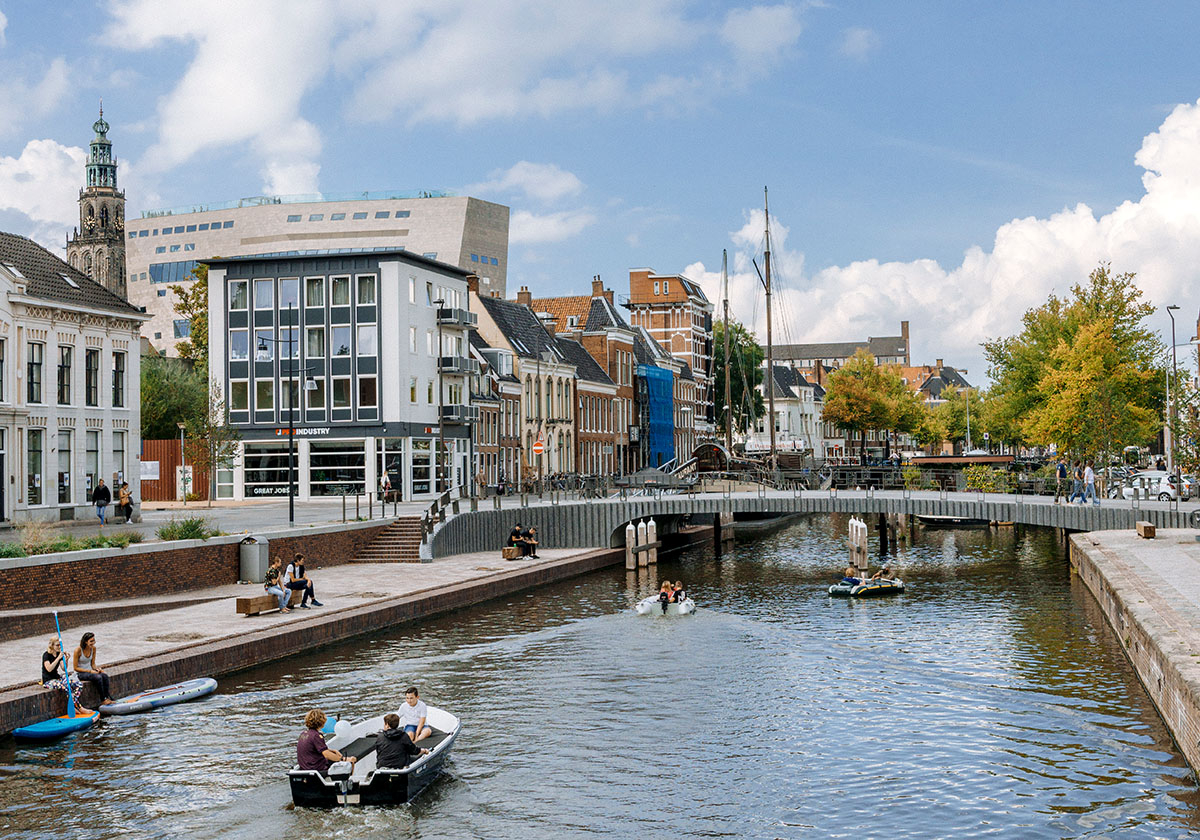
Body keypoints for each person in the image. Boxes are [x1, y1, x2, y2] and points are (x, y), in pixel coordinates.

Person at [42, 637, 92, 715]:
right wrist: (58, 658)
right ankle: (80, 707)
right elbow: (49, 669)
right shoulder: (46, 655)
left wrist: (66, 660)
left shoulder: (59, 654)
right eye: (57, 645)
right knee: (66, 687)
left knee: (78, 684)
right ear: (52, 646)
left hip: (57, 678)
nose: (59, 647)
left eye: (60, 645)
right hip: (48, 681)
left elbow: (63, 668)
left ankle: (73, 705)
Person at [297, 709, 356, 774]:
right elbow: (327, 755)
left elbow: (314, 749)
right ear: (322, 722)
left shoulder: (303, 734)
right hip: (317, 769)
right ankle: (349, 782)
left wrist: (332, 751)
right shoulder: (316, 736)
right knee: (351, 761)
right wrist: (344, 759)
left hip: (305, 768)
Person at [72, 632, 114, 705]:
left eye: (94, 640)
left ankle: (107, 697)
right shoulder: (78, 650)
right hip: (80, 673)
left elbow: (93, 664)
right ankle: (103, 699)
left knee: (104, 676)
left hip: (90, 671)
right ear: (85, 641)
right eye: (91, 641)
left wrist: (97, 669)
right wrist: (90, 671)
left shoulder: (93, 649)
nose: (93, 643)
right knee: (98, 677)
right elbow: (75, 668)